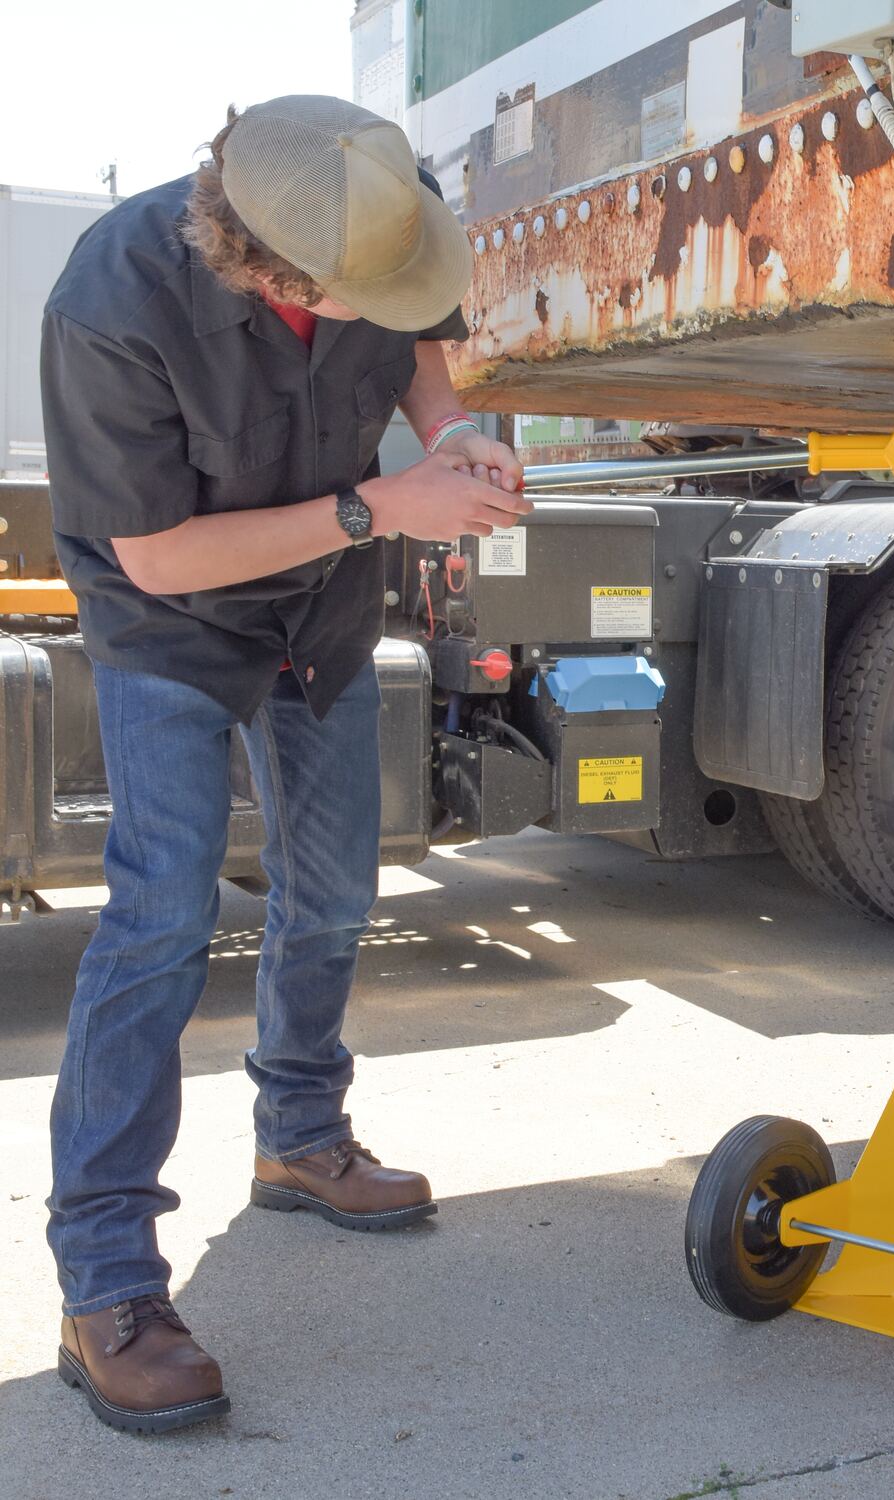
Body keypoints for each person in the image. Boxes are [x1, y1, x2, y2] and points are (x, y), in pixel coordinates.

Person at [40, 94, 531, 1435]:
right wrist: (383, 506)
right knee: (160, 919)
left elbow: (419, 335)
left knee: (333, 891)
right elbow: (158, 557)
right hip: (172, 625)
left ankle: (300, 1138)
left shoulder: (378, 199)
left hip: (319, 610)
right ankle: (105, 1284)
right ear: (271, 271)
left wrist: (449, 434)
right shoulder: (113, 303)